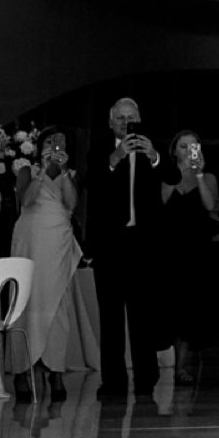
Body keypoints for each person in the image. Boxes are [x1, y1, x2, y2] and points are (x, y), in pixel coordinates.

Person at [87, 97, 177, 399]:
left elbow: (174, 176)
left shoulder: (151, 147)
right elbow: (90, 181)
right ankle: (113, 382)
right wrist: (115, 157)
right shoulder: (99, 150)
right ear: (111, 122)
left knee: (143, 314)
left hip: (144, 244)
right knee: (110, 317)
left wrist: (154, 156)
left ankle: (146, 378)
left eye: (131, 118)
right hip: (110, 245)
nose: (126, 123)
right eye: (121, 118)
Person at [10, 129, 81, 401]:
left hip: (57, 240)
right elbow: (26, 200)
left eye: (59, 143)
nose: (54, 146)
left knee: (56, 303)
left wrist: (61, 171)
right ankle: (21, 369)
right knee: (27, 300)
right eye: (50, 142)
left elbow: (72, 203)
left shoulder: (69, 173)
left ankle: (56, 369)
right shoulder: (27, 170)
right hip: (30, 239)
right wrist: (41, 171)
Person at [158, 129, 219, 386]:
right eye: (184, 146)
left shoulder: (208, 177)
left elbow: (211, 205)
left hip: (197, 252)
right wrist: (180, 172)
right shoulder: (165, 175)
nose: (188, 151)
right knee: (168, 310)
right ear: (174, 151)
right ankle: (162, 363)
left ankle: (181, 367)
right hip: (169, 251)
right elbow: (162, 201)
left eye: (193, 146)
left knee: (190, 312)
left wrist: (197, 174)